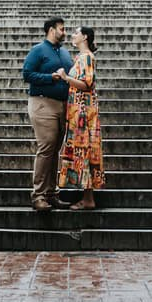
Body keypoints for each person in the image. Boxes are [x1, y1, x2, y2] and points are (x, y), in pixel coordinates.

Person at [21, 16, 73, 211]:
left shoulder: (64, 52)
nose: (64, 32)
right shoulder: (38, 50)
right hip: (43, 103)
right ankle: (38, 195)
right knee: (46, 146)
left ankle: (51, 193)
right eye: (62, 29)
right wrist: (50, 77)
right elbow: (27, 74)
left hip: (62, 105)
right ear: (51, 30)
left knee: (55, 148)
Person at [54, 25, 104, 210]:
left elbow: (87, 83)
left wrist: (66, 78)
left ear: (85, 37)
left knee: (85, 152)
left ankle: (88, 199)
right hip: (79, 112)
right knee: (82, 153)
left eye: (76, 33)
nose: (72, 35)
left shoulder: (87, 57)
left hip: (84, 113)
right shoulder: (82, 57)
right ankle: (87, 197)